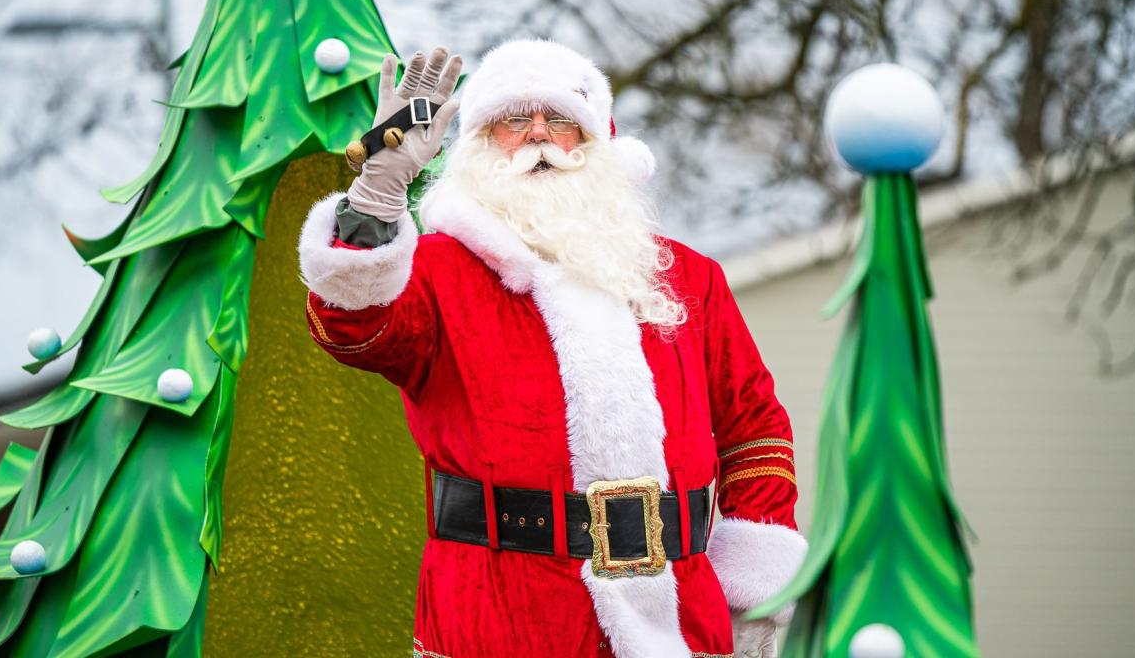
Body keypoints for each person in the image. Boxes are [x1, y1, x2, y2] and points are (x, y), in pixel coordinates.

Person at [297, 39, 807, 658]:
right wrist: (376, 196)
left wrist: (756, 585)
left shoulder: (688, 277)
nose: (539, 134)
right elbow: (351, 327)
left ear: (597, 140)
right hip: (499, 617)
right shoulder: (433, 272)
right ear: (480, 145)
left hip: (680, 619)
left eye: (561, 118)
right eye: (514, 118)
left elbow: (755, 427)